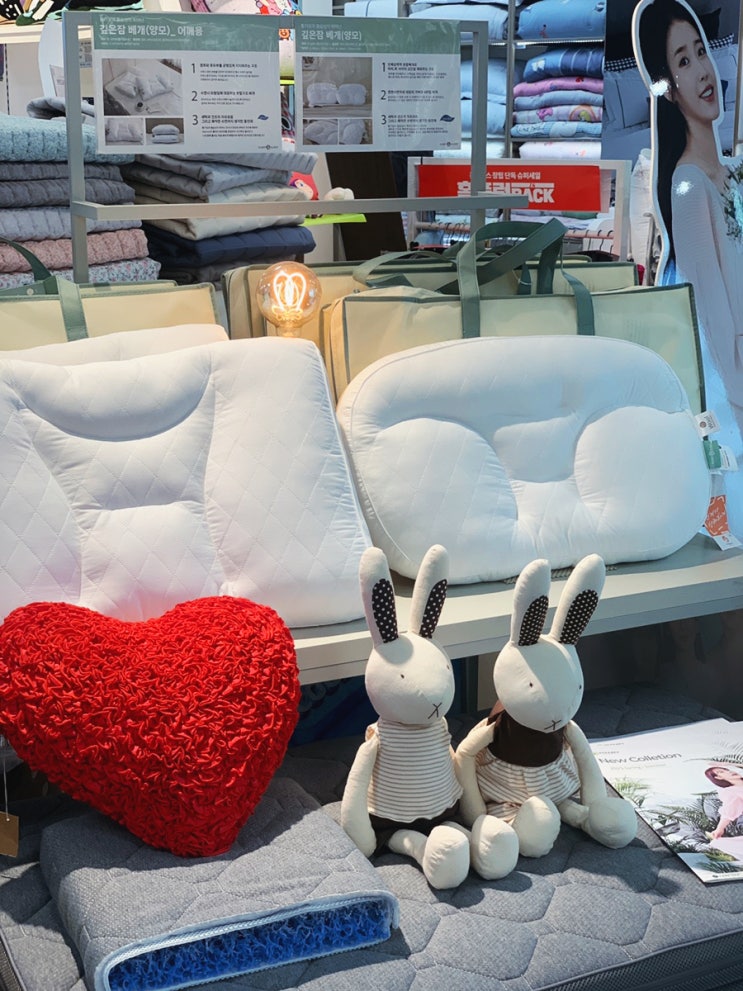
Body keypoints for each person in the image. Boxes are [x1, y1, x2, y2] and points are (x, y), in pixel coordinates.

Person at [634, 0, 743, 539]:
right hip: (730, 378)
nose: (702, 71)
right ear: (669, 89)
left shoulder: (732, 173)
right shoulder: (687, 184)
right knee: (727, 504)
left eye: (701, 52)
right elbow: (711, 308)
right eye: (683, 61)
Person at [704, 765, 743, 839]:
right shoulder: (730, 792)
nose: (729, 772)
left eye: (727, 770)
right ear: (718, 777)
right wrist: (719, 829)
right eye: (721, 772)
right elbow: (730, 809)